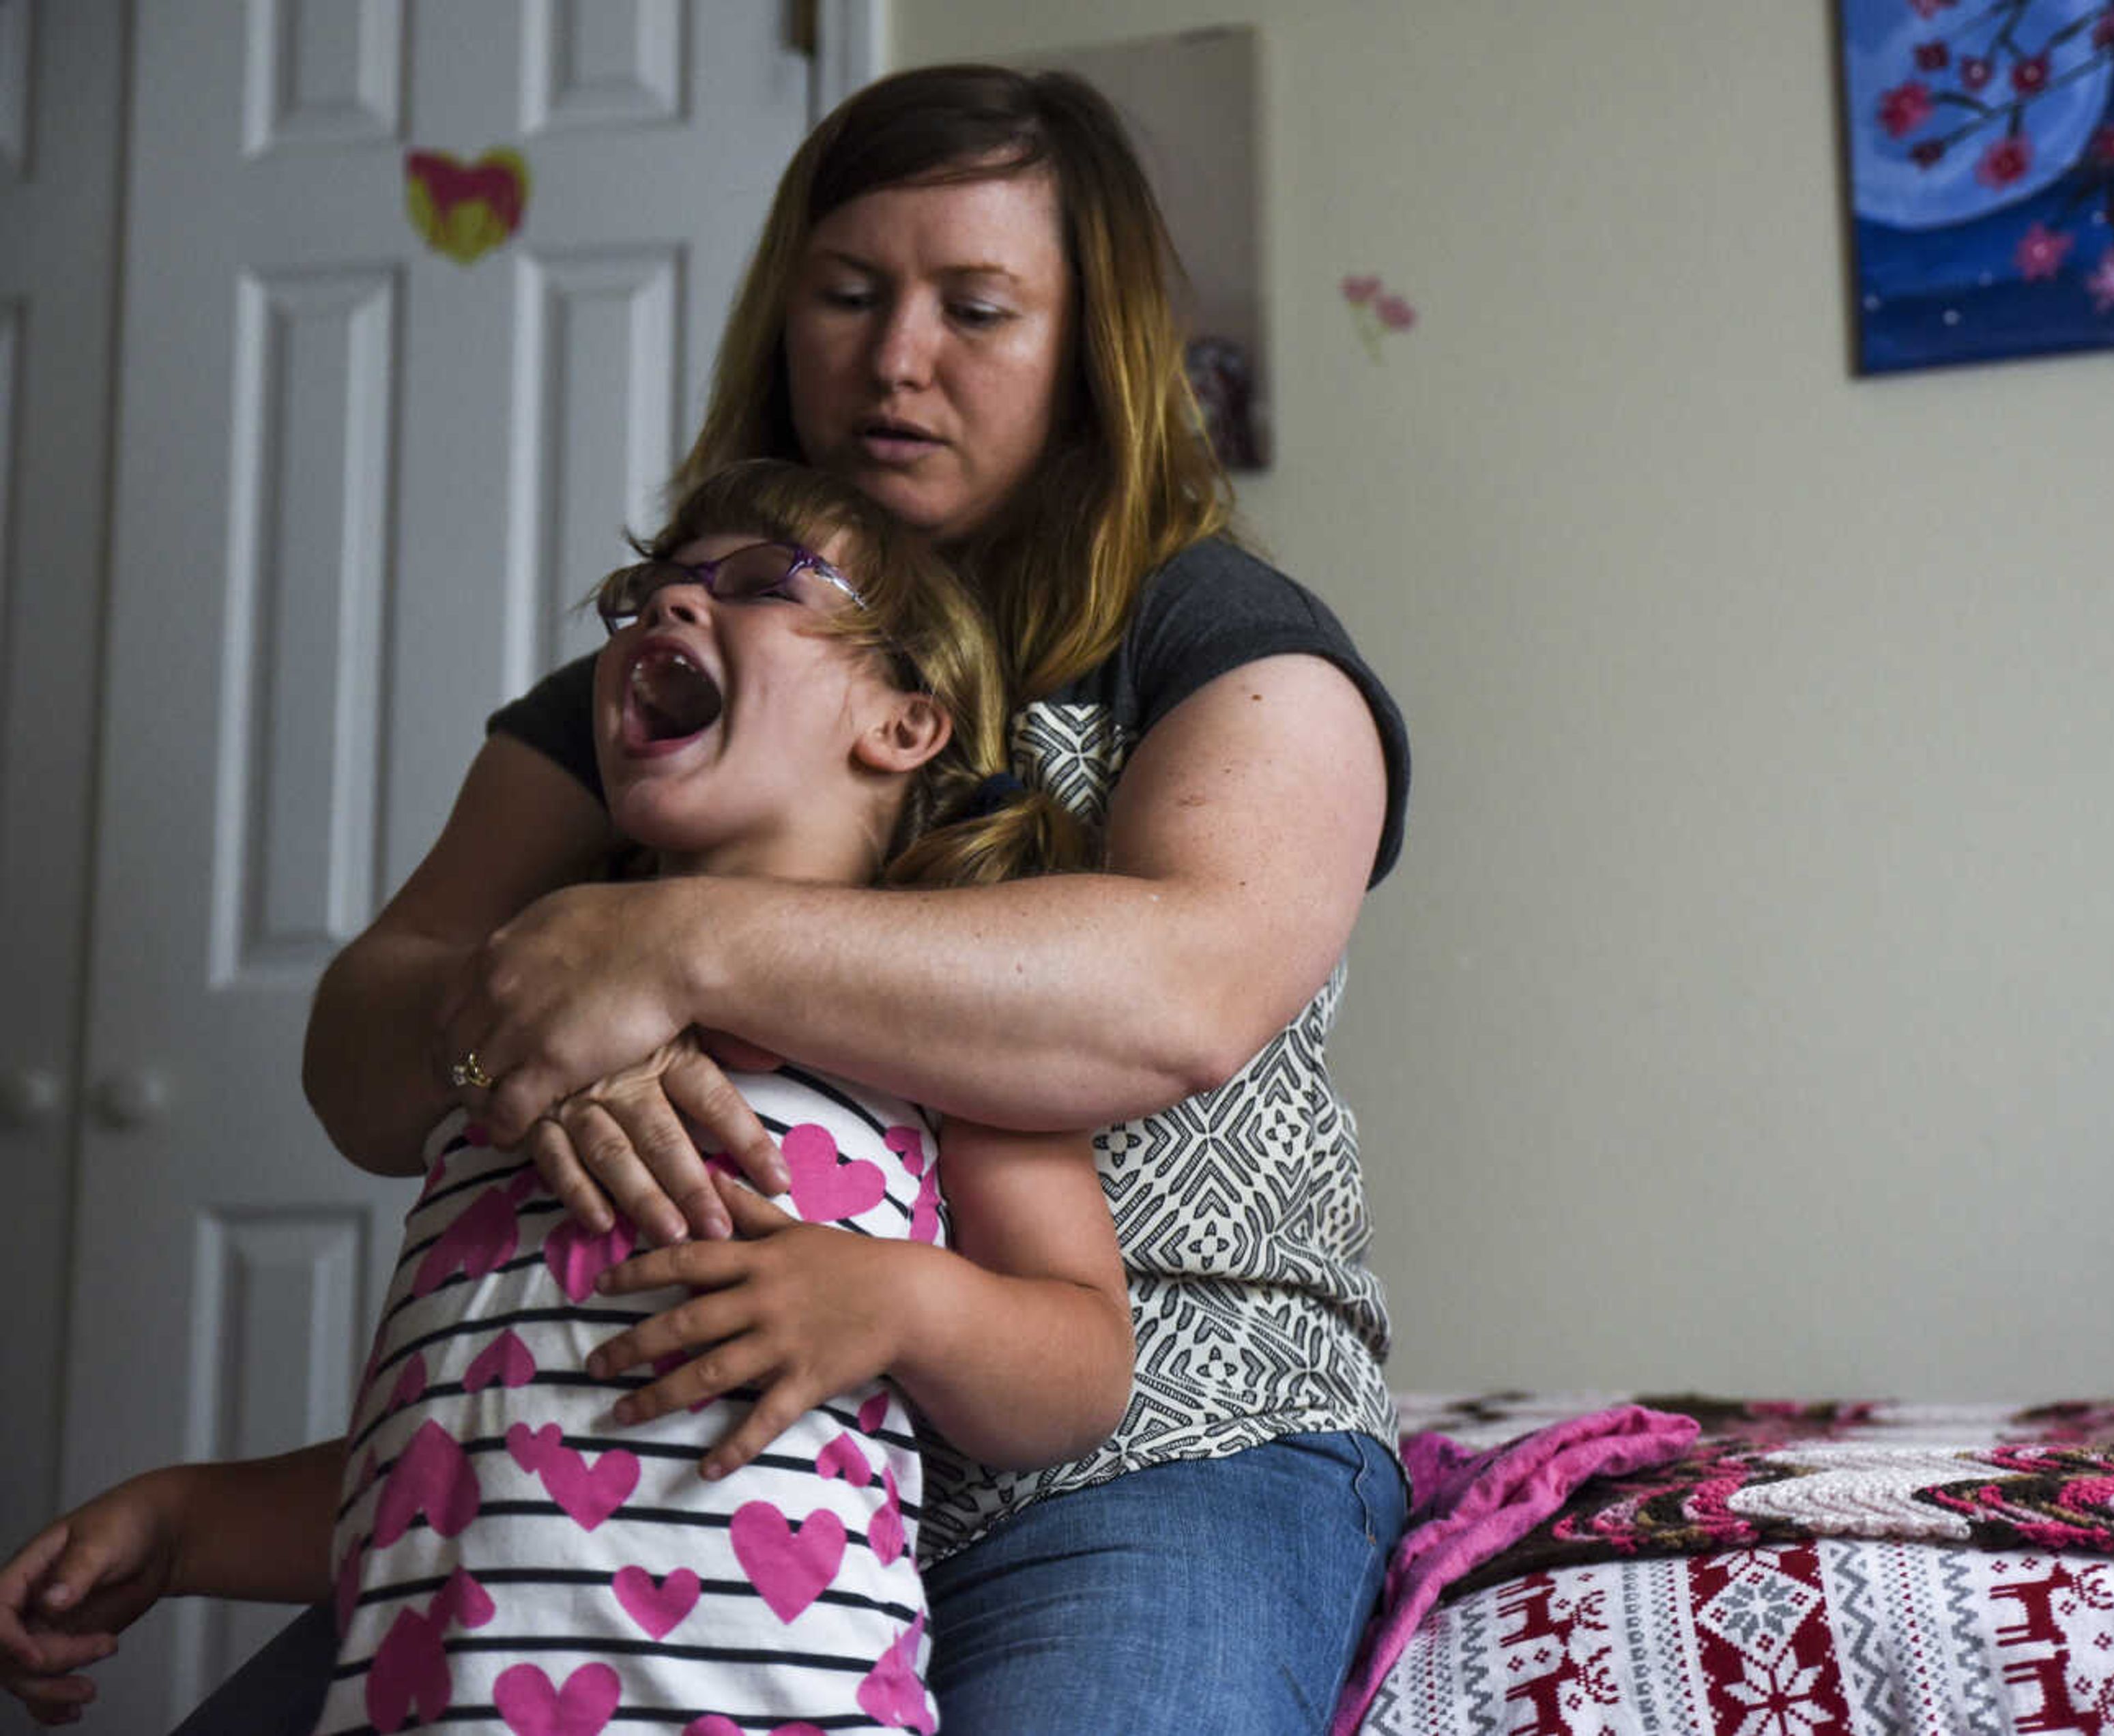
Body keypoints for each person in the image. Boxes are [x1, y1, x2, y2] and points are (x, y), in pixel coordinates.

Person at [42, 59, 1413, 1734]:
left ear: (1090, 351)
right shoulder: (653, 690)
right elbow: (366, 1057)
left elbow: (1183, 992)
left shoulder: (1215, 635)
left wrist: (661, 942)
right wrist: (534, 1029)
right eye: (846, 294)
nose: (896, 357)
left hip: (1153, 1447)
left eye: (976, 308)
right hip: (684, 1448)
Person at [1, 461, 1135, 1734]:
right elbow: (461, 1452)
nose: (665, 613)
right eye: (644, 594)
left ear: (904, 724)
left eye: (761, 585)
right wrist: (182, 1521)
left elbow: (1084, 1364)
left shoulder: (941, 1022)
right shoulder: (515, 1023)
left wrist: (902, 1303)